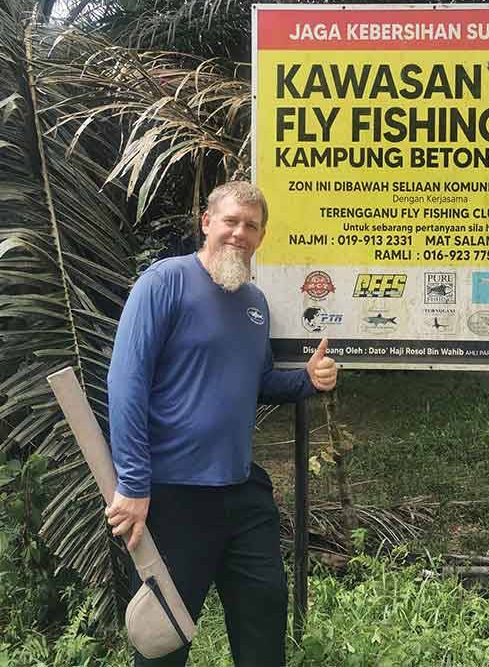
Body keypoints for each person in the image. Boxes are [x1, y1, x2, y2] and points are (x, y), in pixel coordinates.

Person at [106, 181, 337, 666]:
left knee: (264, 622)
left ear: (261, 236)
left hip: (241, 492)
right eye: (230, 221)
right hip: (173, 495)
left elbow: (256, 382)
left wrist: (307, 380)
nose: (239, 233)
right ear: (207, 222)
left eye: (251, 226)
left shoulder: (254, 304)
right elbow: (126, 383)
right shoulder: (165, 282)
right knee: (163, 641)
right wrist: (133, 484)